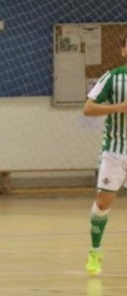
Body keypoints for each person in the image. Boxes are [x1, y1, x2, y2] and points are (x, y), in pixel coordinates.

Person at [83, 32, 127, 276]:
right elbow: (88, 108)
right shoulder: (113, 78)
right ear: (123, 51)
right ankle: (95, 252)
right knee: (102, 202)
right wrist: (119, 107)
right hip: (115, 151)